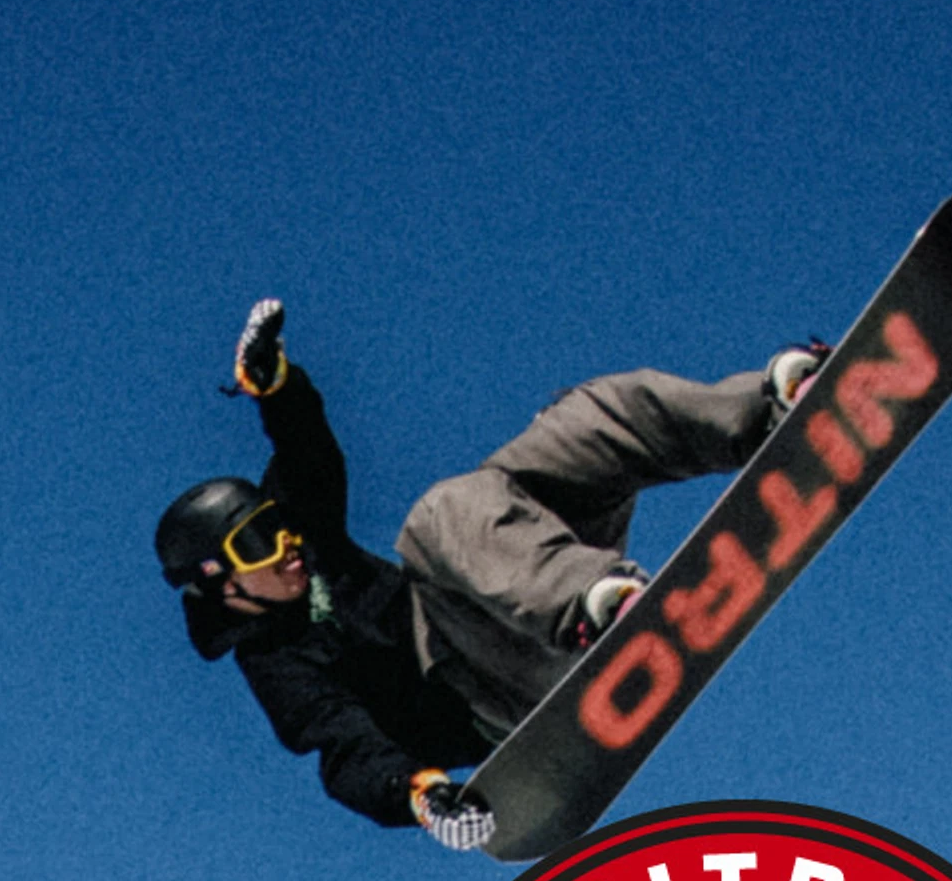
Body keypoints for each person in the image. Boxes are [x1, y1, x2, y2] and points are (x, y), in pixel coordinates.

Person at [156, 302, 822, 852]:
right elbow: (341, 749)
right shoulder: (275, 662)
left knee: (577, 421)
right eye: (256, 546)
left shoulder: (306, 541)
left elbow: (306, 453)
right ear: (225, 584)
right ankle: (595, 605)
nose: (287, 547)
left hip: (529, 595)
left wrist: (277, 383)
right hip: (486, 691)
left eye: (276, 526)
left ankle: (769, 408)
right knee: (437, 517)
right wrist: (419, 795)